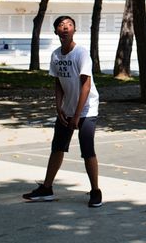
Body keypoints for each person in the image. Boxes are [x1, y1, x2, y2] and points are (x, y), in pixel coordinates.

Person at [23, 15, 103, 207]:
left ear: (74, 30)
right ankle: (47, 188)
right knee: (57, 147)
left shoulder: (81, 53)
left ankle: (95, 191)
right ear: (56, 31)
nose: (65, 27)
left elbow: (86, 85)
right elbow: (58, 82)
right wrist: (59, 106)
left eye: (69, 25)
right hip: (67, 110)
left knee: (87, 149)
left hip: (87, 109)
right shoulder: (56, 55)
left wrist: (77, 116)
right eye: (61, 25)